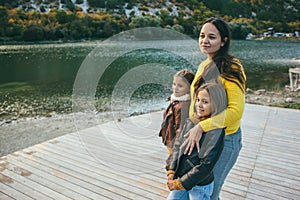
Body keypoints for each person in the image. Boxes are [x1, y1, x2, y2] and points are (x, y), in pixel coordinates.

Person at [181, 17, 247, 200]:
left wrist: (201, 127)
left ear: (223, 41)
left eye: (211, 37)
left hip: (224, 141)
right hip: (202, 138)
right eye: (202, 36)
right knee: (180, 192)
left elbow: (235, 111)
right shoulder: (205, 64)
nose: (205, 41)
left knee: (208, 194)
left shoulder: (232, 67)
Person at [166, 81, 228, 200]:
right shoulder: (191, 121)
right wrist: (171, 169)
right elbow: (177, 147)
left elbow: (206, 165)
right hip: (180, 176)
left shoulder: (216, 131)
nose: (199, 104)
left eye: (205, 102)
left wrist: (181, 183)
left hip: (200, 185)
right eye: (198, 100)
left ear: (216, 105)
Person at [159, 69, 195, 154]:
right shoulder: (176, 100)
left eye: (180, 86)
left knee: (172, 164)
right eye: (174, 84)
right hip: (170, 141)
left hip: (175, 144)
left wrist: (177, 147)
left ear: (189, 87)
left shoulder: (182, 106)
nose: (175, 88)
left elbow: (181, 128)